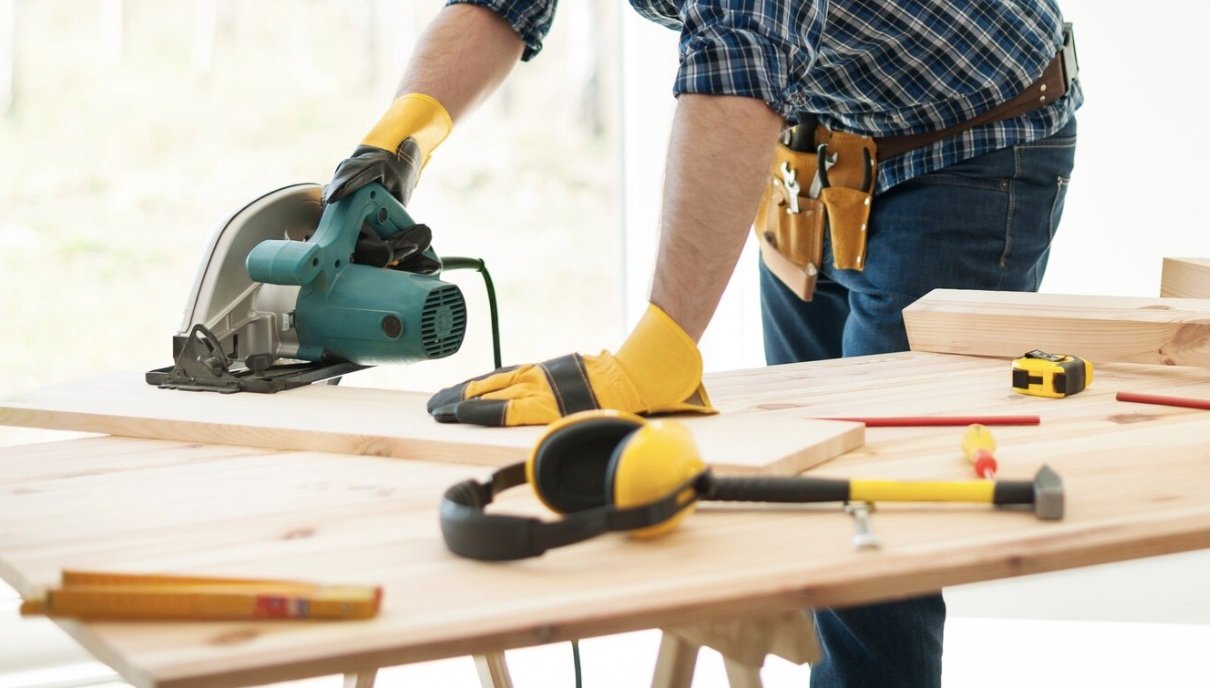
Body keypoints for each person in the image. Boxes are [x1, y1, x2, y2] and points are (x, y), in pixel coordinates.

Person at [324, 1, 1081, 685]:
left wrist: (663, 344)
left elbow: (741, 62)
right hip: (814, 147)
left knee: (875, 529)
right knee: (811, 488)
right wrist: (399, 139)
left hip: (968, 144)